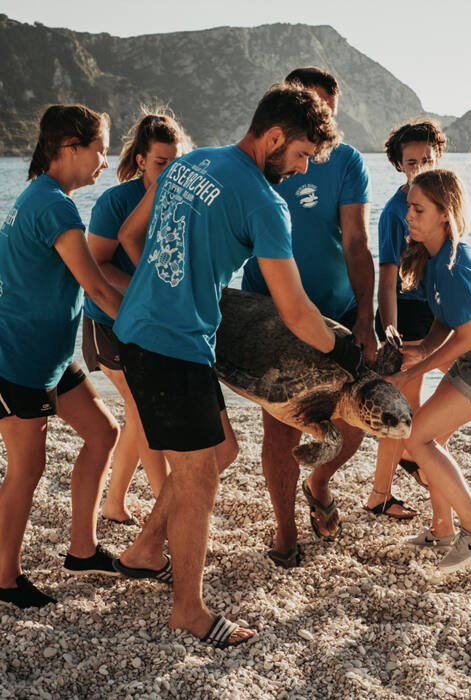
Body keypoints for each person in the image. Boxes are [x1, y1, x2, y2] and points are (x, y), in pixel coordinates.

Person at [111, 82, 359, 648]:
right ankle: (190, 611)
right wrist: (342, 350)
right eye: (299, 156)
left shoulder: (192, 161)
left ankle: (146, 549)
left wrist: (165, 286)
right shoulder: (266, 205)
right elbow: (296, 312)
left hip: (146, 331)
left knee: (222, 451)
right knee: (199, 478)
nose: (300, 171)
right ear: (273, 138)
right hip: (172, 346)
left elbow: (131, 235)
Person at [241, 66, 376, 565]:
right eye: (315, 114)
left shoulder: (345, 161)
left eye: (330, 118)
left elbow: (357, 240)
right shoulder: (263, 158)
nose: (322, 129)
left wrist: (366, 318)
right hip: (272, 316)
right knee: (281, 428)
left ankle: (319, 482)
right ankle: (285, 533)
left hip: (336, 311)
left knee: (357, 420)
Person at [0, 104, 124, 609]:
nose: (105, 159)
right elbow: (93, 283)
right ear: (68, 148)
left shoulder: (35, 197)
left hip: (51, 357)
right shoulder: (54, 205)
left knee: (103, 433)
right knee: (26, 471)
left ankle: (82, 549)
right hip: (21, 360)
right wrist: (146, 330)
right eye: (98, 148)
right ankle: (4, 580)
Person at [390, 169, 471, 573]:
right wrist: (416, 350)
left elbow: (466, 337)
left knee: (416, 437)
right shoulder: (434, 260)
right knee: (432, 434)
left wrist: (413, 374)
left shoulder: (452, 264)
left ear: (445, 213)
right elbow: (445, 325)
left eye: (418, 209)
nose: (408, 216)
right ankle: (443, 527)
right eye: (408, 207)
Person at [83, 109, 193, 524]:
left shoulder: (182, 202)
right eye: (161, 163)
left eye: (176, 163)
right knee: (142, 408)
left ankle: (113, 505)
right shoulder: (117, 201)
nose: (169, 172)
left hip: (153, 324)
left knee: (138, 413)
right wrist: (149, 290)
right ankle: (166, 506)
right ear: (142, 160)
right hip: (107, 318)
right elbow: (97, 266)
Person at [365, 121, 448, 519]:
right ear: (399, 165)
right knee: (403, 410)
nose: (420, 167)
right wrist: (391, 330)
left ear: (439, 157)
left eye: (427, 159)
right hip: (405, 312)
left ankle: (417, 455)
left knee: (457, 388)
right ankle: (383, 492)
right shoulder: (395, 213)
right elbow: (387, 278)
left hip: (440, 311)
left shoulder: (448, 202)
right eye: (411, 161)